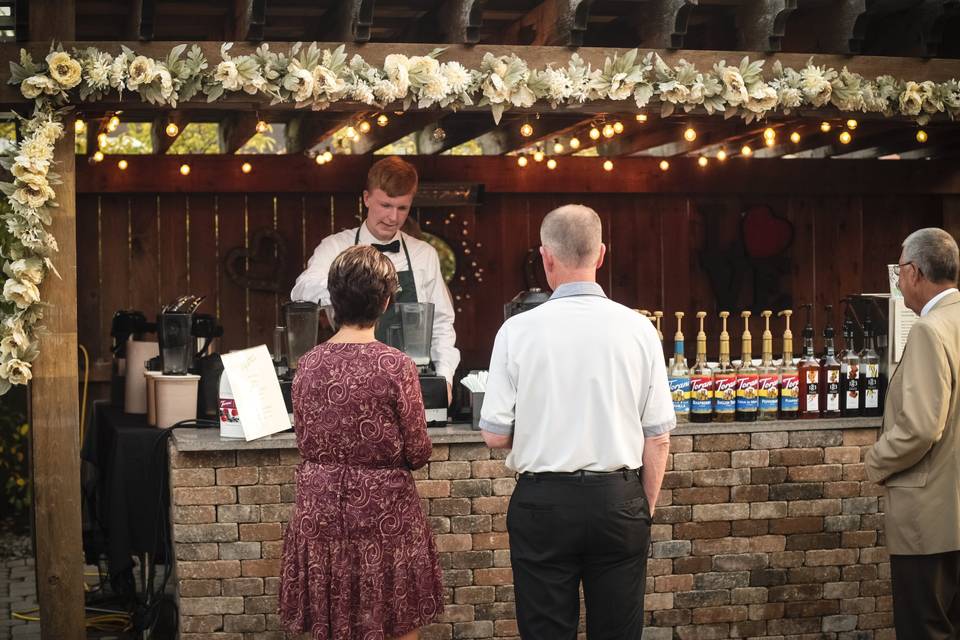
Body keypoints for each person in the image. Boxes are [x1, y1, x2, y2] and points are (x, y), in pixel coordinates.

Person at [479, 204, 675, 639]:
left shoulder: (517, 331)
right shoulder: (640, 329)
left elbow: (494, 435)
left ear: (546, 256)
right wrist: (641, 508)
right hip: (618, 500)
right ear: (601, 254)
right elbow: (658, 437)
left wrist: (541, 427)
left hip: (543, 502)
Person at [278, 245, 443, 640]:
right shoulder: (395, 365)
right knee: (395, 616)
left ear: (333, 300)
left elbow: (305, 440)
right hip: (384, 513)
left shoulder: (308, 364)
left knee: (330, 619)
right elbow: (418, 451)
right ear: (386, 301)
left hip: (321, 509)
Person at [291, 156, 459, 401]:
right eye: (386, 205)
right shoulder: (335, 246)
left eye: (402, 208)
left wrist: (445, 378)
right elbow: (300, 290)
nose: (393, 218)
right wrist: (347, 289)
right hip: (349, 381)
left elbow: (442, 324)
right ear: (367, 198)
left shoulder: (424, 254)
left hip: (411, 382)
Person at [865, 227, 960, 639]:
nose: (898, 281)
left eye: (900, 270)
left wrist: (876, 460)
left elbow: (921, 428)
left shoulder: (927, 330)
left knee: (925, 629)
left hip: (929, 520)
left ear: (916, 272)